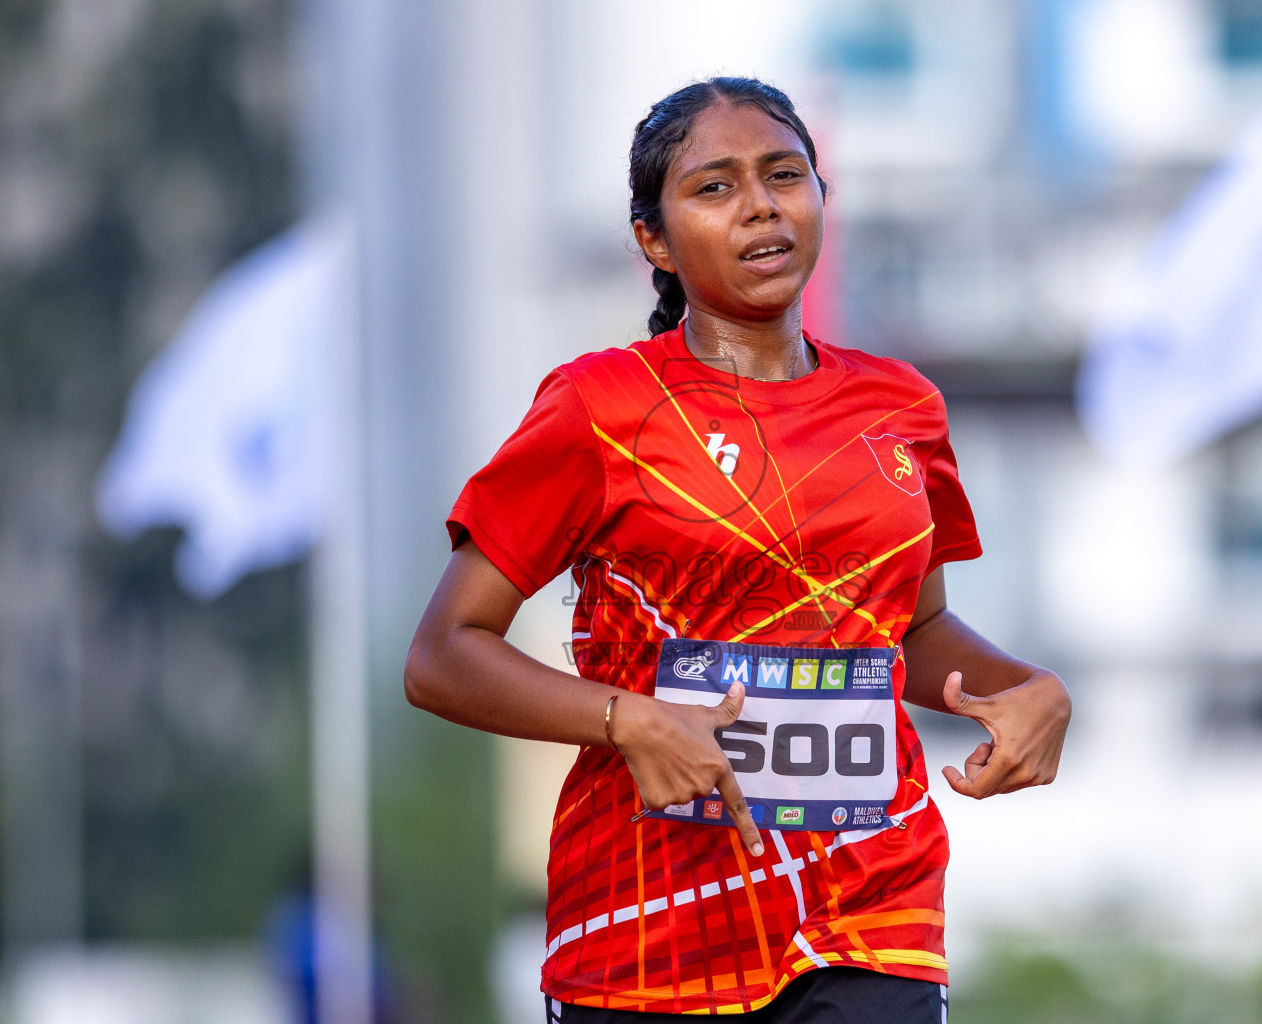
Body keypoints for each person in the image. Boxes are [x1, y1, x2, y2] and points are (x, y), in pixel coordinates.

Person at [405, 76, 1071, 1023]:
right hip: (650, 928)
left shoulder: (902, 409)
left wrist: (1026, 690)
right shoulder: (601, 406)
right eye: (714, 187)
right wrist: (627, 721)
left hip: (870, 909)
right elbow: (442, 655)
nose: (760, 204)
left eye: (784, 175)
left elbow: (908, 632)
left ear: (821, 200)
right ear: (654, 239)